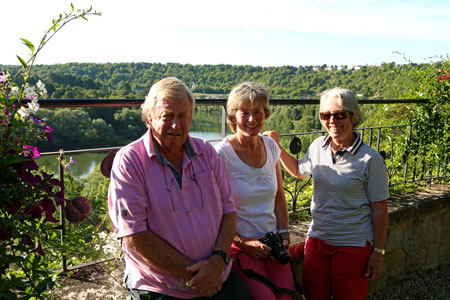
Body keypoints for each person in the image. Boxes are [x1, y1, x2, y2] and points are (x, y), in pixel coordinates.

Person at [108, 77, 251, 300]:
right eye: (167, 116)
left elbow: (229, 211)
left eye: (182, 116)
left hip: (217, 272)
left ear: (191, 117)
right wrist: (198, 275)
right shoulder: (130, 160)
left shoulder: (206, 152)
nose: (176, 125)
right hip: (161, 286)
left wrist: (217, 261)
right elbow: (134, 235)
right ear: (149, 117)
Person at [264, 87, 389, 300]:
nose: (332, 120)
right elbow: (298, 171)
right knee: (313, 295)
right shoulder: (317, 146)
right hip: (318, 239)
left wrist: (377, 253)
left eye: (339, 114)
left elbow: (379, 210)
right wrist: (277, 147)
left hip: (353, 244)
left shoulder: (371, 160)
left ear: (353, 116)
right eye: (326, 115)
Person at [215, 82, 294, 300]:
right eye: (245, 113)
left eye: (258, 112)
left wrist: (285, 232)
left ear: (265, 113)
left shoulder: (271, 146)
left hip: (273, 242)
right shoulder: (221, 155)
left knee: (287, 297)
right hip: (241, 247)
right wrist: (243, 243)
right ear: (233, 117)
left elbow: (279, 194)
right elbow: (216, 209)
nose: (252, 119)